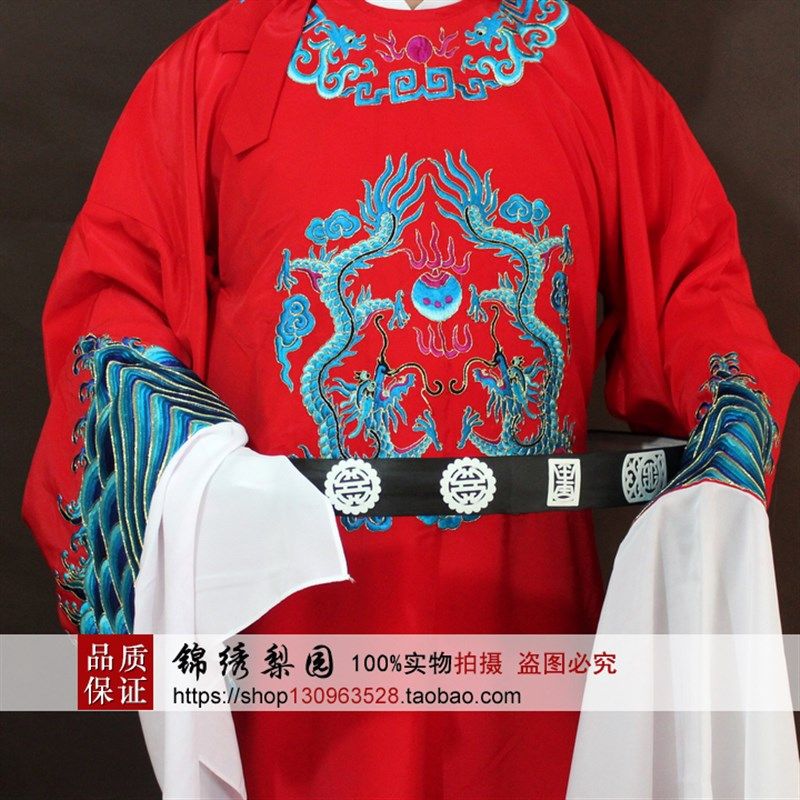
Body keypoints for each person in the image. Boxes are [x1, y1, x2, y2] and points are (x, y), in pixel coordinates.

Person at [22, 0, 799, 797]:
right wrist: (191, 457)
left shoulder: (581, 68)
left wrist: (729, 433)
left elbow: (697, 292)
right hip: (302, 650)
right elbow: (112, 302)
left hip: (525, 632)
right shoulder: (221, 67)